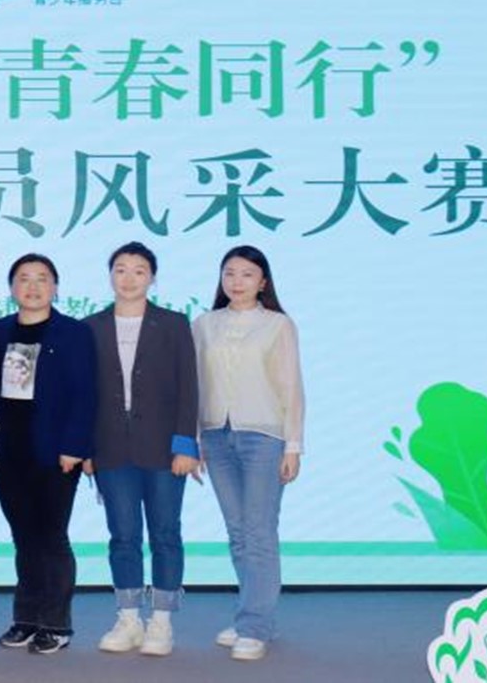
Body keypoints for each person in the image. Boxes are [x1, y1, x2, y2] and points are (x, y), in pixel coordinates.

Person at [82, 242, 199, 657]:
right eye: (120, 269)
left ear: (152, 277)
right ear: (110, 275)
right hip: (110, 449)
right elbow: (83, 394)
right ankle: (129, 618)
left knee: (166, 534)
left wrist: (186, 445)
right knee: (123, 536)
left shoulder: (173, 323)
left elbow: (189, 388)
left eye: (138, 270)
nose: (128, 278)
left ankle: (162, 621)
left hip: (165, 451)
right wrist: (85, 448)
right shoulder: (91, 326)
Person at [193, 245, 304, 662]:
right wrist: (194, 438)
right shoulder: (203, 324)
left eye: (246, 274)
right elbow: (195, 385)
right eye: (229, 273)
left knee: (258, 533)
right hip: (215, 436)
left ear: (263, 282)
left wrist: (293, 444)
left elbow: (291, 386)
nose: (236, 282)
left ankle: (254, 625)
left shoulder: (278, 325)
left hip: (264, 436)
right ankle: (254, 617)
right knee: (238, 533)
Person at [0, 254, 96, 655]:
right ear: (12, 287)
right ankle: (26, 618)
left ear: (55, 287)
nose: (33, 287)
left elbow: (85, 393)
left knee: (52, 536)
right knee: (24, 537)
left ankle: (55, 624)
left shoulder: (73, 333)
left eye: (42, 279)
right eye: (24, 278)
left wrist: (75, 446)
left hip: (55, 452)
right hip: (9, 450)